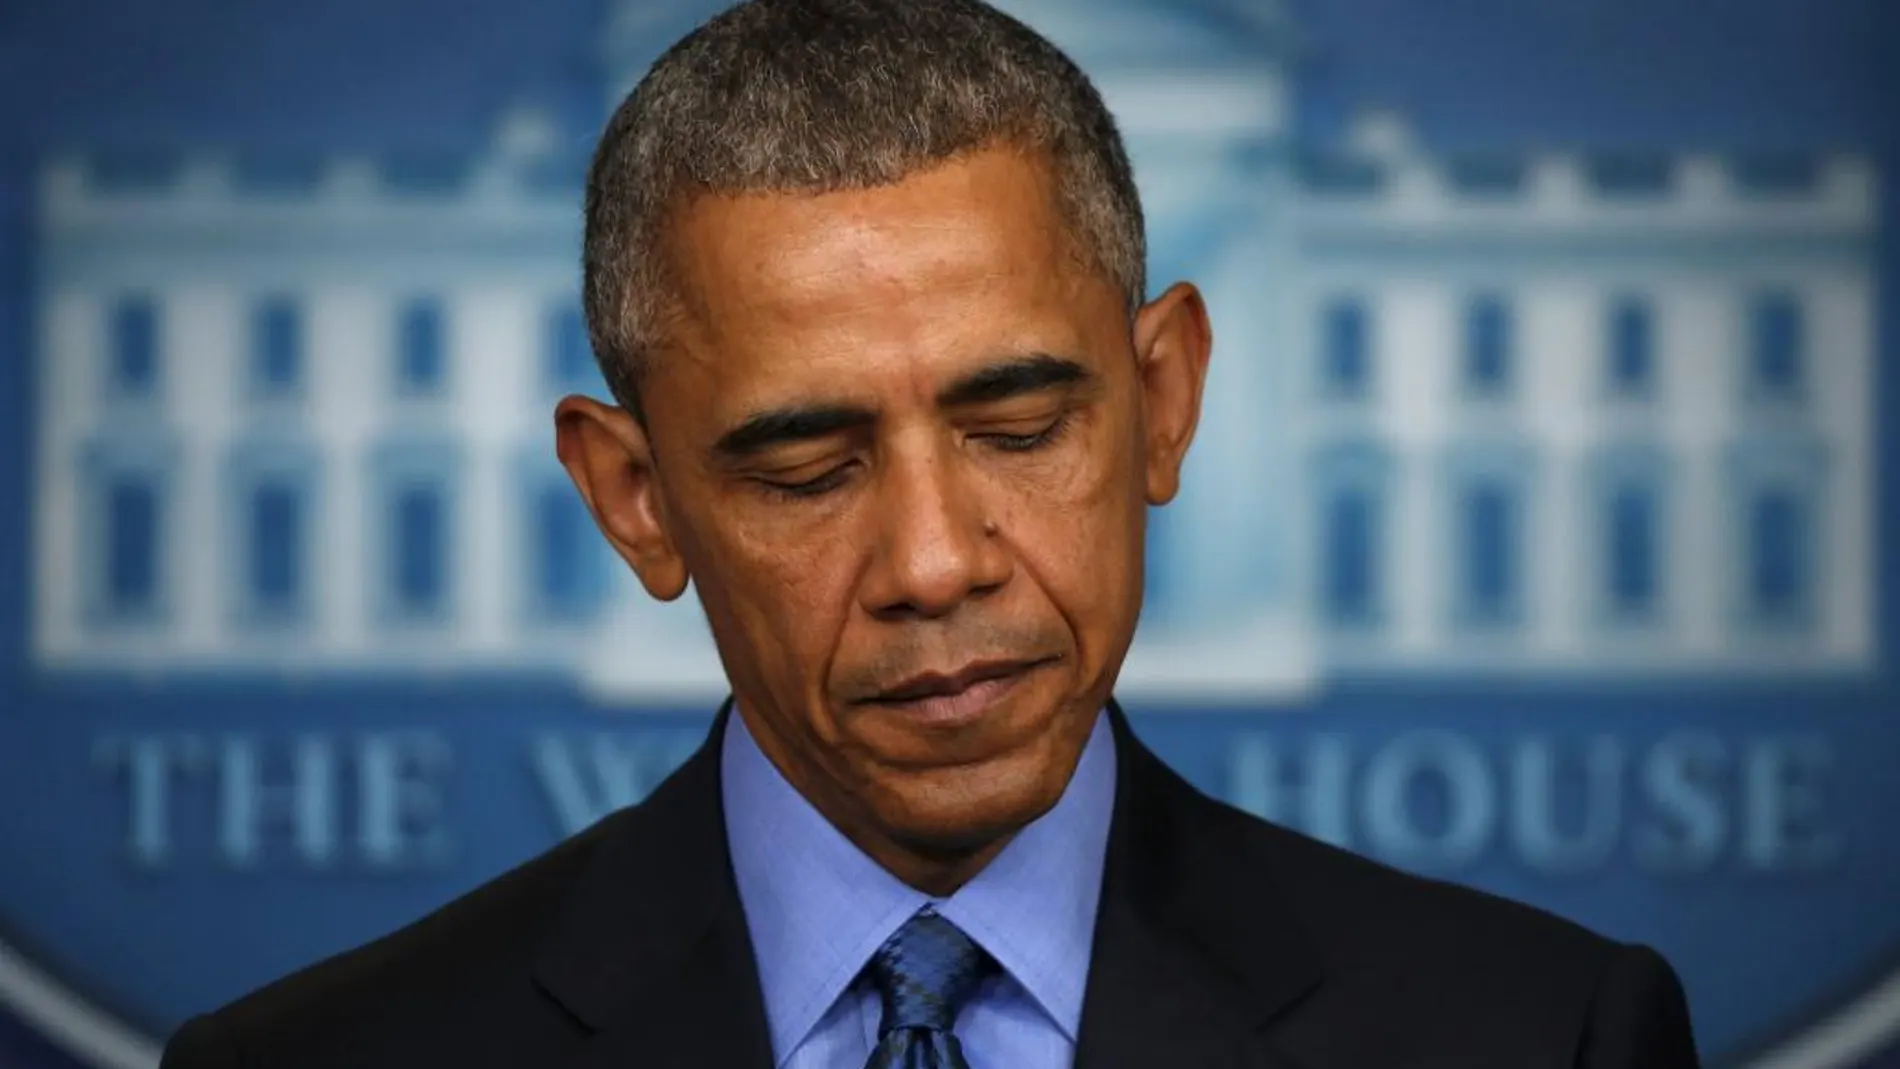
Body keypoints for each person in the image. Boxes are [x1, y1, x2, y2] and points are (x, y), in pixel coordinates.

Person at [160, 0, 1701, 1066]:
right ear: (636, 501)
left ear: (1163, 401)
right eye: (807, 468)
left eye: (1019, 432)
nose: (933, 561)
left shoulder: (1540, 1041)